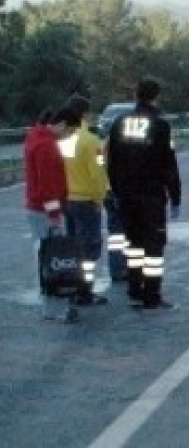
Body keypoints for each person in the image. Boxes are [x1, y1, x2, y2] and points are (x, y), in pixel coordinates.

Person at [105, 78, 182, 310]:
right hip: (151, 196)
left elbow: (112, 162)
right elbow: (169, 165)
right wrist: (175, 197)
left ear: (136, 96)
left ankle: (134, 289)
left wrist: (116, 190)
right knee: (154, 248)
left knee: (134, 244)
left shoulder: (119, 123)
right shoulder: (160, 126)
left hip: (126, 196)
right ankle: (152, 295)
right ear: (156, 97)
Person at [24, 107, 80, 322]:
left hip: (35, 206)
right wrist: (55, 212)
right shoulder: (47, 146)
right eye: (70, 131)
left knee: (45, 253)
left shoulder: (35, 135)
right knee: (54, 257)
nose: (69, 136)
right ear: (63, 124)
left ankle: (51, 304)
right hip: (44, 209)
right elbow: (48, 184)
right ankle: (56, 308)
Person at [60, 95, 109, 305]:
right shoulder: (91, 141)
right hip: (87, 200)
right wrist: (100, 198)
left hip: (69, 199)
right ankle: (85, 291)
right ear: (84, 114)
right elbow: (98, 173)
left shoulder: (66, 139)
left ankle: (75, 286)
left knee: (74, 246)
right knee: (89, 249)